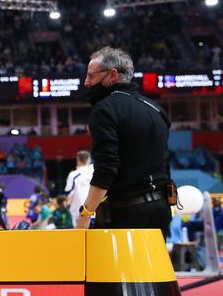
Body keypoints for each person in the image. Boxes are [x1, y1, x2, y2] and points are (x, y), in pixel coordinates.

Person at [76, 47, 172, 236]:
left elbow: (106, 167)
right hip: (162, 210)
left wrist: (86, 214)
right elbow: (165, 161)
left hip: (127, 214)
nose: (87, 83)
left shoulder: (104, 109)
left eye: (91, 76)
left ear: (113, 75)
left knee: (116, 267)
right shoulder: (156, 108)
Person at [65, 150, 94, 227]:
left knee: (80, 237)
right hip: (95, 209)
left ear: (77, 160)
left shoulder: (73, 175)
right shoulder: (95, 172)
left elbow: (68, 193)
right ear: (89, 159)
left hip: (79, 212)